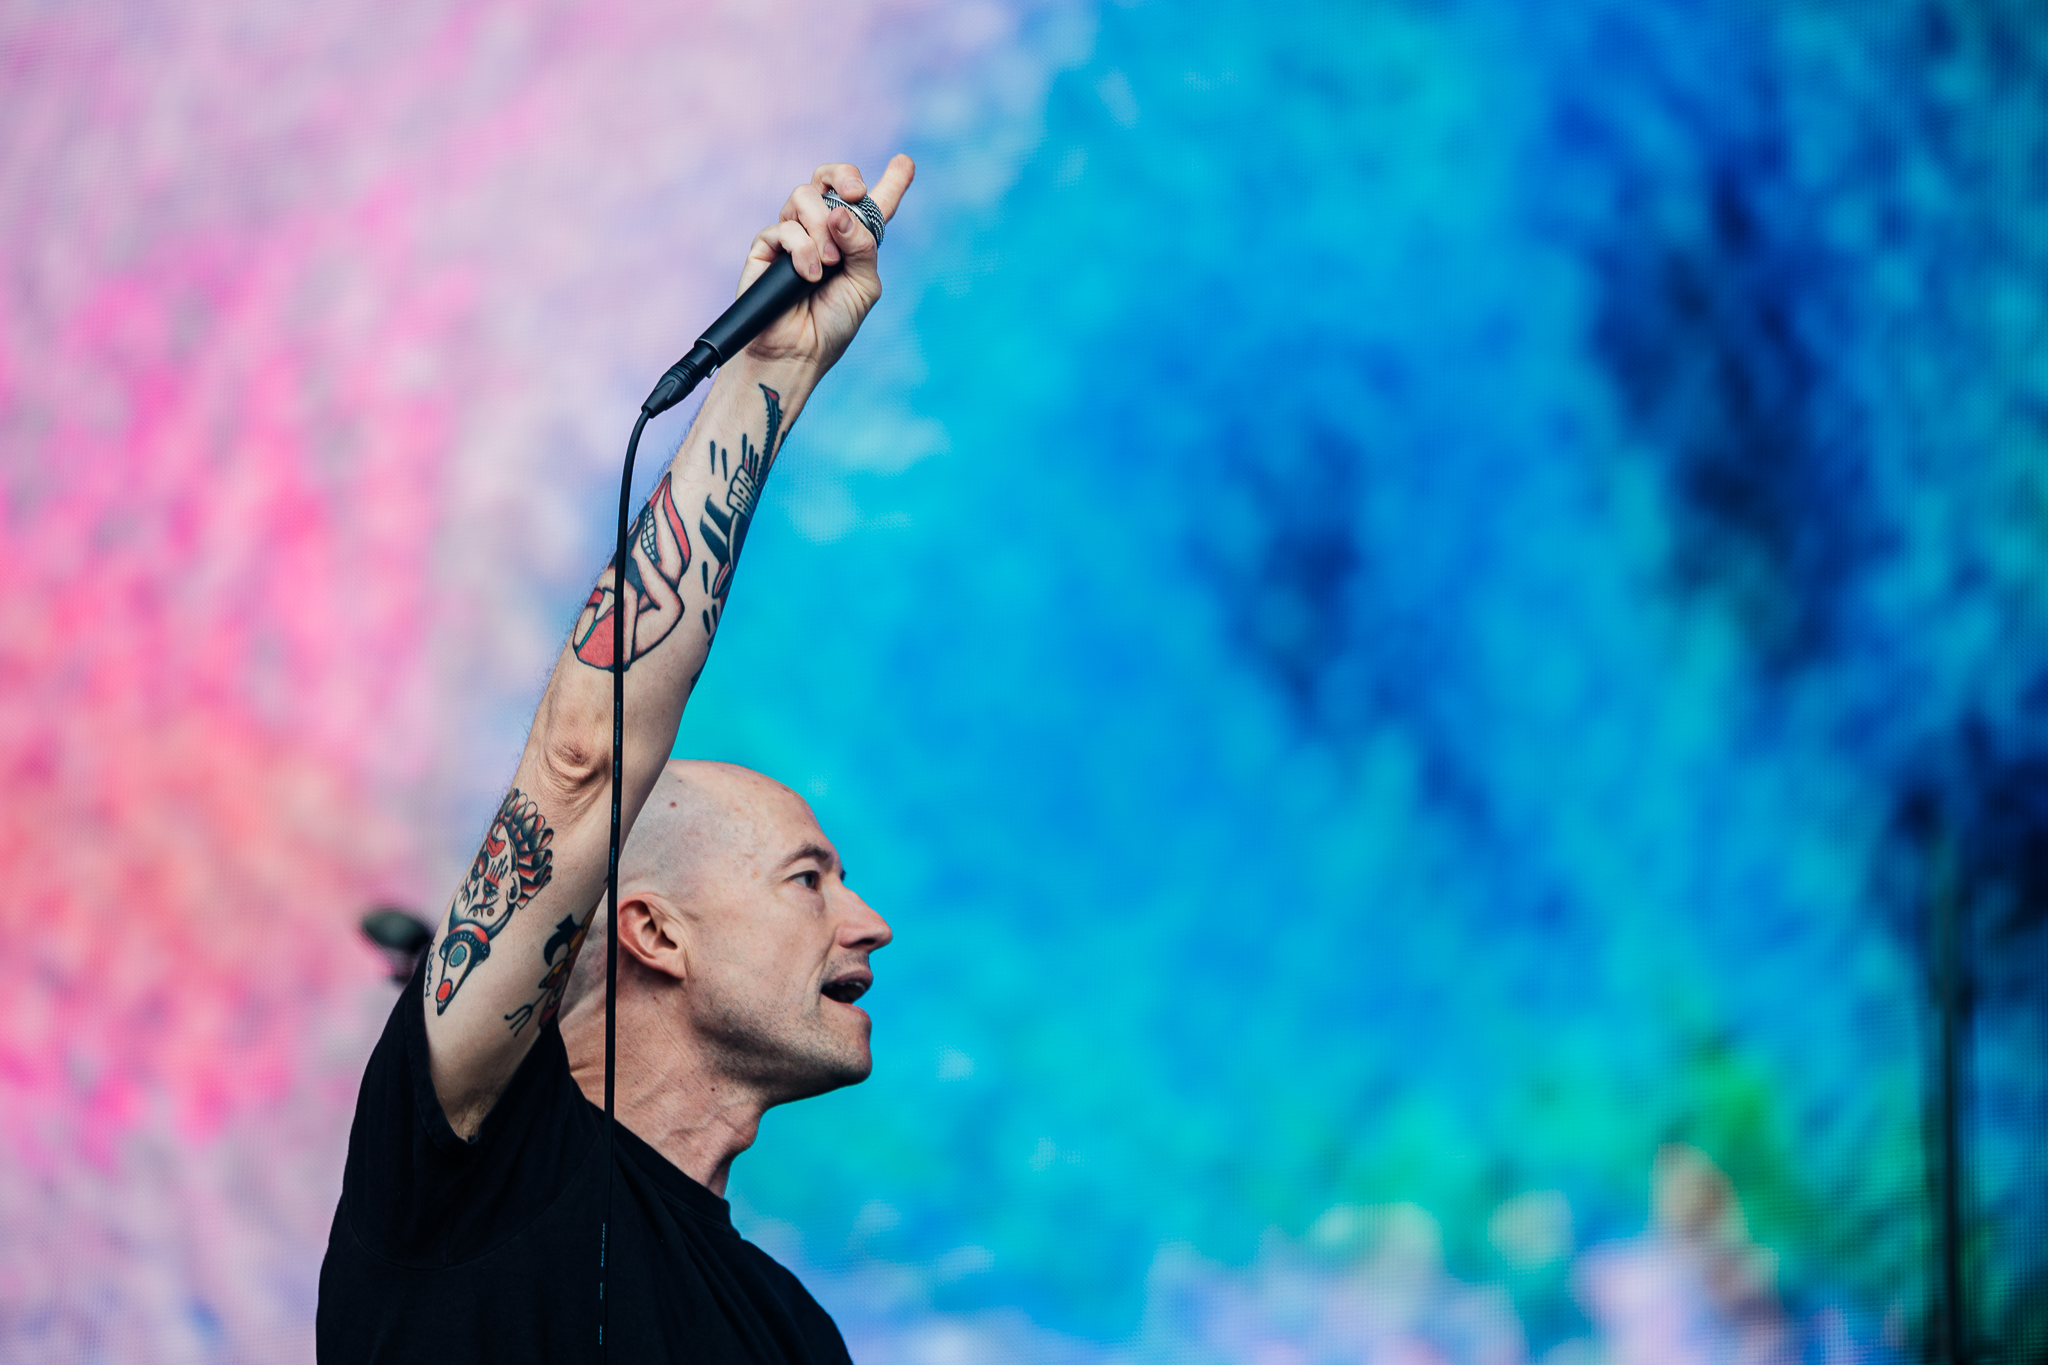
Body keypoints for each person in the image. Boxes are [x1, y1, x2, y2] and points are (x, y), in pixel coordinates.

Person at [317, 155, 916, 1364]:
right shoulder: (474, 1161)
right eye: (807, 879)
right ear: (652, 932)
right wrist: (770, 374)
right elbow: (584, 764)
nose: (870, 925)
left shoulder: (792, 1333)